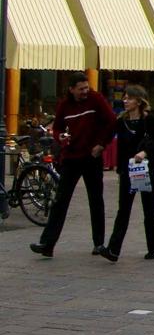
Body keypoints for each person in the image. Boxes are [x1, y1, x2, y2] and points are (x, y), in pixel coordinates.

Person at [31, 73, 117, 258]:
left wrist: (102, 144)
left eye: (86, 87)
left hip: (92, 156)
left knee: (96, 200)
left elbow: (112, 121)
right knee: (60, 200)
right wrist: (60, 136)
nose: (85, 91)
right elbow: (58, 127)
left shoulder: (96, 99)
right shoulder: (64, 105)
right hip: (71, 157)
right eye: (81, 89)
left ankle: (99, 243)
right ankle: (47, 244)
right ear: (71, 90)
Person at [96, 85, 154, 262]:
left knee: (148, 208)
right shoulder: (121, 121)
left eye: (129, 98)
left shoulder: (149, 120)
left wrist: (146, 152)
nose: (125, 101)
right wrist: (99, 147)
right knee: (123, 210)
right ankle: (113, 250)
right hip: (127, 171)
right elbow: (107, 136)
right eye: (124, 97)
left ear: (138, 101)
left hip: (146, 170)